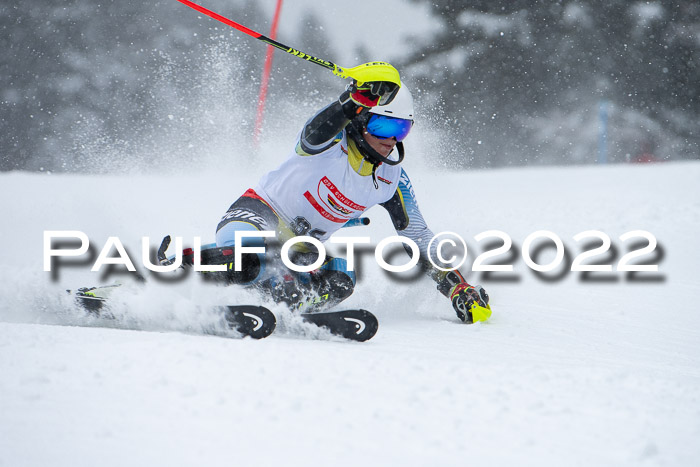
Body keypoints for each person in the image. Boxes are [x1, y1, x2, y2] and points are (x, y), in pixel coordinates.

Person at [214, 63, 491, 324]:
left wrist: (458, 287)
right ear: (361, 121)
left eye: (401, 130)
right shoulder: (331, 142)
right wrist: (352, 101)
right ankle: (191, 276)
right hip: (258, 213)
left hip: (300, 247)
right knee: (254, 253)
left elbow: (417, 238)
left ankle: (286, 305)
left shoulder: (392, 179)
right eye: (383, 126)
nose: (391, 140)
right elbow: (314, 132)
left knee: (341, 279)